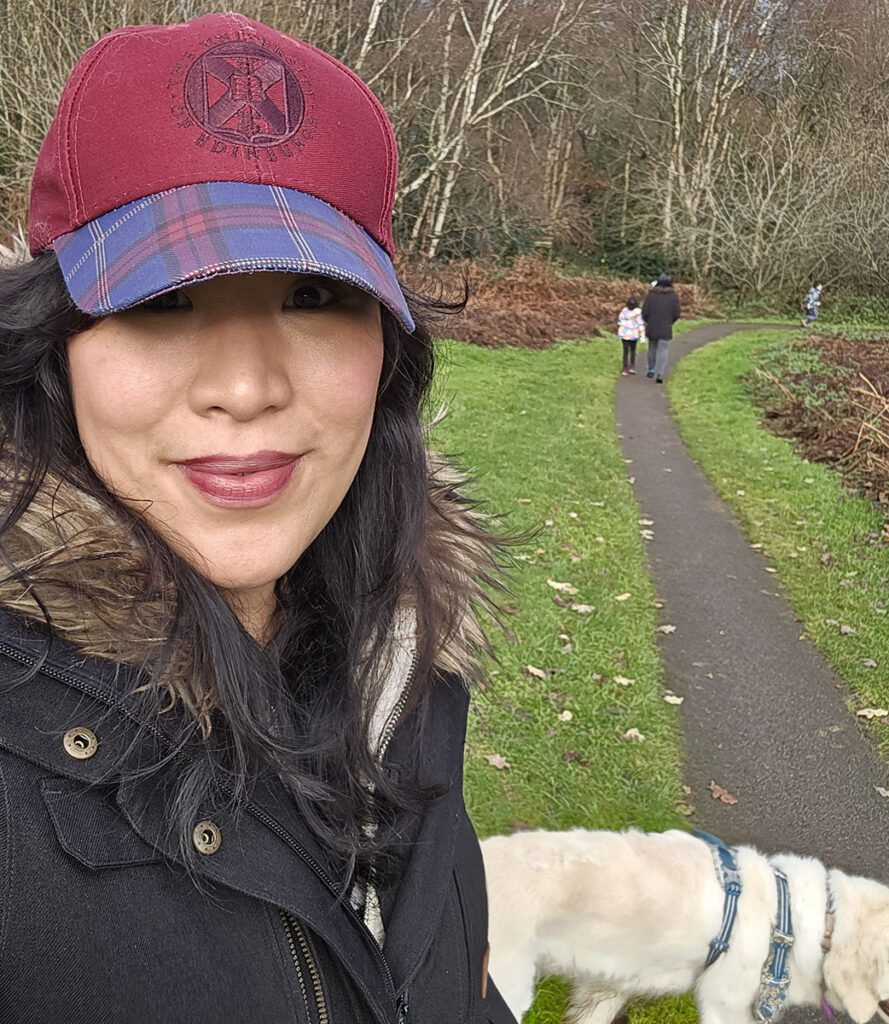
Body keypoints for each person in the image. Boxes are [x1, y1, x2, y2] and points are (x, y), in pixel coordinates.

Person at [0, 13, 515, 1023]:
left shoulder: (403, 658)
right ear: (53, 346)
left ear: (389, 351)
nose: (245, 387)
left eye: (313, 294)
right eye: (162, 301)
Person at [642, 273, 681, 383]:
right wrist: (670, 322)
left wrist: (648, 321)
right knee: (663, 350)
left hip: (652, 326)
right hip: (665, 327)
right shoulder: (673, 296)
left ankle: (651, 370)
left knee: (652, 349)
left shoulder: (651, 295)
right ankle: (660, 374)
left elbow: (645, 311)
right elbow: (676, 313)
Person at [617, 297, 644, 375]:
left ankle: (625, 368)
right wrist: (642, 336)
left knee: (625, 351)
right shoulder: (638, 313)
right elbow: (640, 324)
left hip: (624, 334)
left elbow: (619, 321)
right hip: (633, 335)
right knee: (633, 350)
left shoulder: (624, 311)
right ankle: (632, 366)